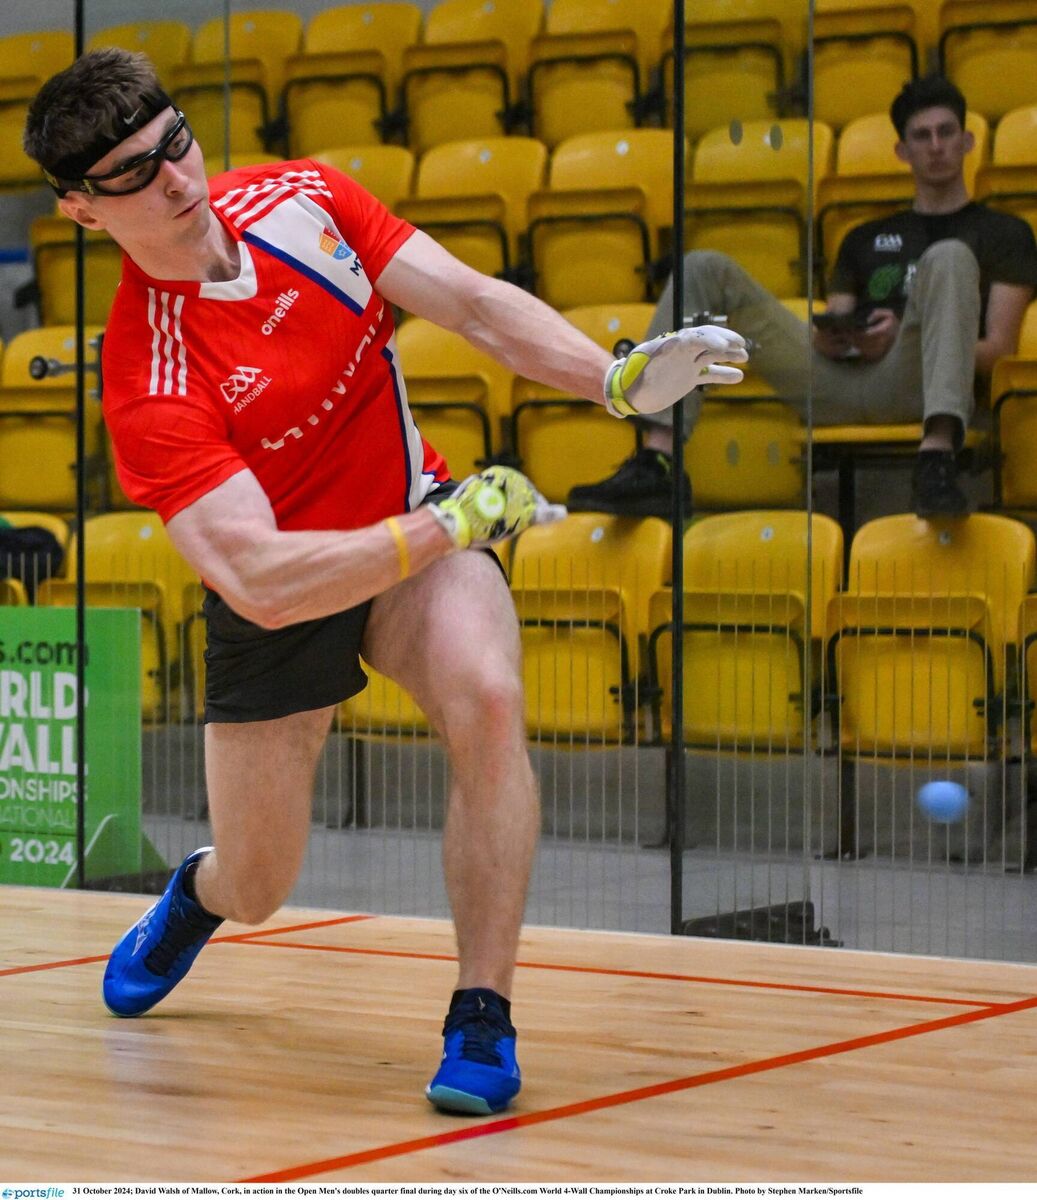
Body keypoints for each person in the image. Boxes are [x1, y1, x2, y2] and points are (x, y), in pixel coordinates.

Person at [22, 49, 747, 1117]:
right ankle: (197, 893)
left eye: (175, 142)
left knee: (489, 700)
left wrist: (614, 378)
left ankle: (480, 1015)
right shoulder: (148, 373)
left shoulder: (303, 199)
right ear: (84, 210)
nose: (176, 179)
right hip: (297, 585)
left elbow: (471, 304)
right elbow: (262, 579)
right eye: (133, 174)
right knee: (262, 884)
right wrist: (445, 523)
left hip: (413, 525)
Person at [569, 74, 1037, 521]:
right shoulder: (864, 236)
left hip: (922, 381)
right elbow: (838, 321)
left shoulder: (1002, 233)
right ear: (902, 150)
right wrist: (839, 338)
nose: (935, 146)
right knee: (703, 266)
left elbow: (998, 351)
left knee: (951, 256)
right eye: (922, 136)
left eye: (946, 132)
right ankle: (658, 461)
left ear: (967, 140)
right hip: (843, 382)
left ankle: (937, 457)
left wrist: (901, 342)